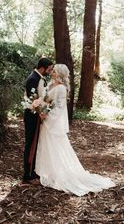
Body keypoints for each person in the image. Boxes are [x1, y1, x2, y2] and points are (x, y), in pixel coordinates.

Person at [34, 64, 115, 196]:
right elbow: (46, 99)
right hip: (45, 121)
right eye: (52, 70)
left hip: (52, 122)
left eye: (54, 71)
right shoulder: (50, 84)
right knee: (46, 146)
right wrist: (38, 105)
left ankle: (61, 174)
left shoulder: (61, 88)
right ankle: (49, 172)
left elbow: (60, 107)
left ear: (59, 74)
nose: (52, 72)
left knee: (57, 148)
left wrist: (46, 114)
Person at [22, 57, 53, 184]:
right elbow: (33, 100)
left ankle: (32, 171)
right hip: (32, 115)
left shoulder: (38, 77)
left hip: (36, 115)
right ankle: (27, 175)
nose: (50, 71)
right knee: (31, 144)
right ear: (43, 68)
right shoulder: (33, 79)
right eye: (49, 69)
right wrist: (42, 111)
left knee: (34, 143)